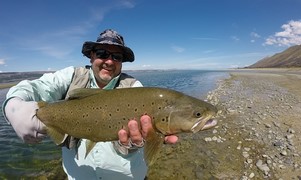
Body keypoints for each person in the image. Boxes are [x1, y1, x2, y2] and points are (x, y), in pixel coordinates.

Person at [2, 29, 178, 179]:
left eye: (116, 56)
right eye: (102, 54)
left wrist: (138, 143)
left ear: (122, 62)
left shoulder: (135, 89)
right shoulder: (71, 76)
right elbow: (33, 87)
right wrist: (14, 108)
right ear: (91, 56)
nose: (109, 61)